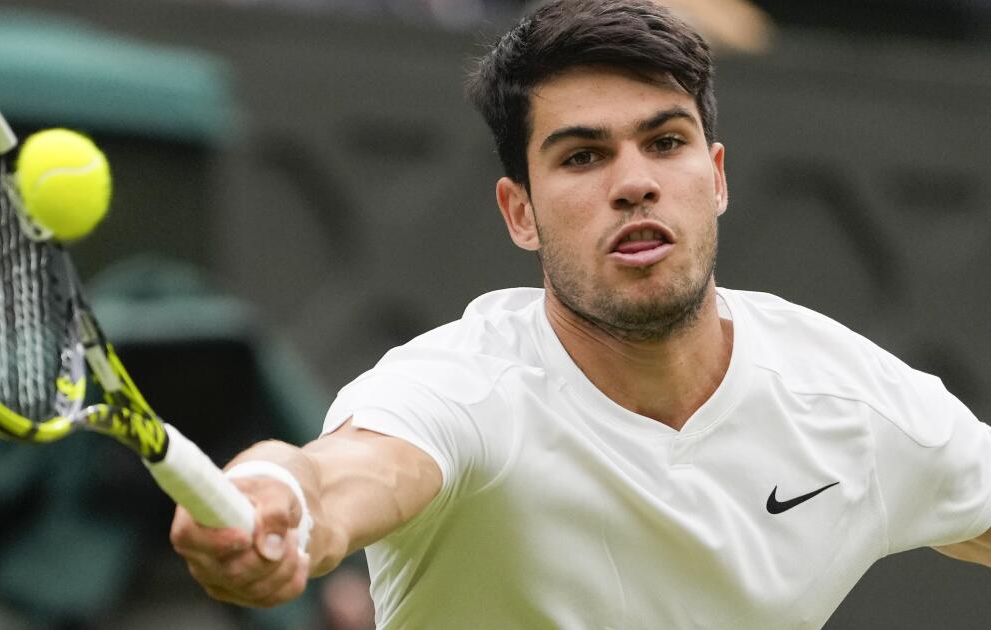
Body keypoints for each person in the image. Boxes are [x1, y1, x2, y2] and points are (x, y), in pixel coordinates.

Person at [168, 0, 991, 627]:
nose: (633, 182)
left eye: (664, 143)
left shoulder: (852, 402)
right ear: (518, 212)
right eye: (584, 156)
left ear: (718, 179)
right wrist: (278, 496)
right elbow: (341, 476)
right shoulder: (462, 387)